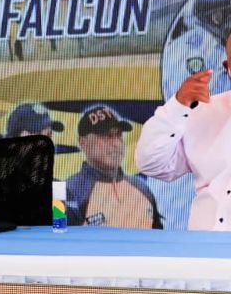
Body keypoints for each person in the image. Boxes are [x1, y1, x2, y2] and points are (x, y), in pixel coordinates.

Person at [136, 35, 231, 231]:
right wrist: (179, 105)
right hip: (202, 250)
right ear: (227, 67)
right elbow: (151, 163)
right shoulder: (203, 113)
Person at [67, 105, 162, 229]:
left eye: (119, 135)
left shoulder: (142, 189)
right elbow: (57, 243)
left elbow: (158, 241)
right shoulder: (68, 191)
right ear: (83, 142)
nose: (116, 143)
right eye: (106, 136)